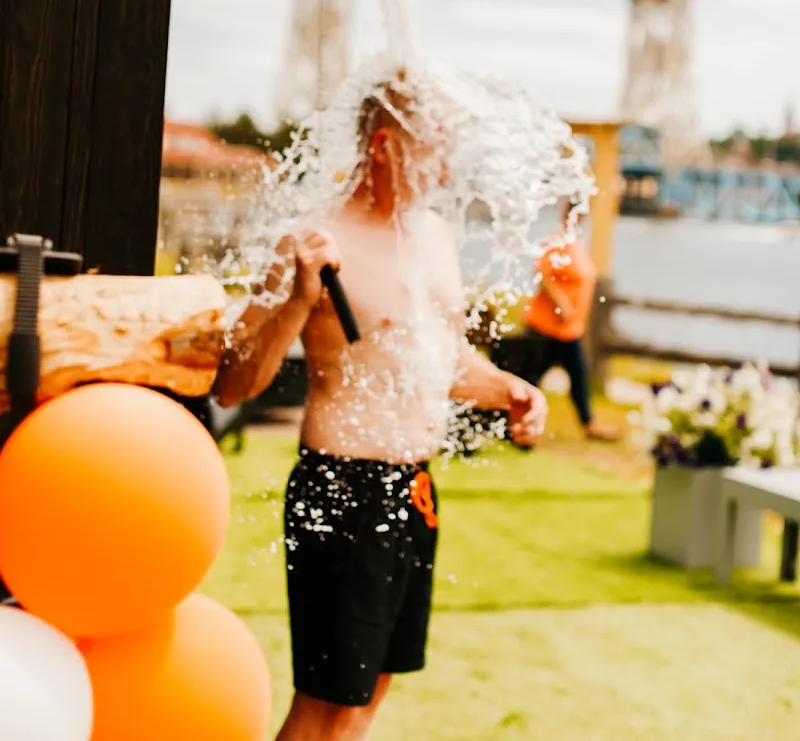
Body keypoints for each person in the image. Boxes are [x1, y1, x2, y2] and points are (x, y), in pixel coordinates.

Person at [213, 84, 549, 741]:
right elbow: (232, 384)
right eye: (438, 152)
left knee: (369, 699)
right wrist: (296, 300)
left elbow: (440, 357)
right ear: (384, 146)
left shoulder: (432, 233)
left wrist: (509, 387)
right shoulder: (312, 240)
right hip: (342, 488)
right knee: (327, 707)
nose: (449, 171)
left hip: (413, 488)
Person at [498, 198, 617, 443]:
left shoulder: (577, 244)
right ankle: (512, 427)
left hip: (569, 330)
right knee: (530, 379)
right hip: (546, 327)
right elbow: (543, 273)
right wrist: (561, 302)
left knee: (578, 375)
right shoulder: (558, 240)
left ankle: (587, 423)